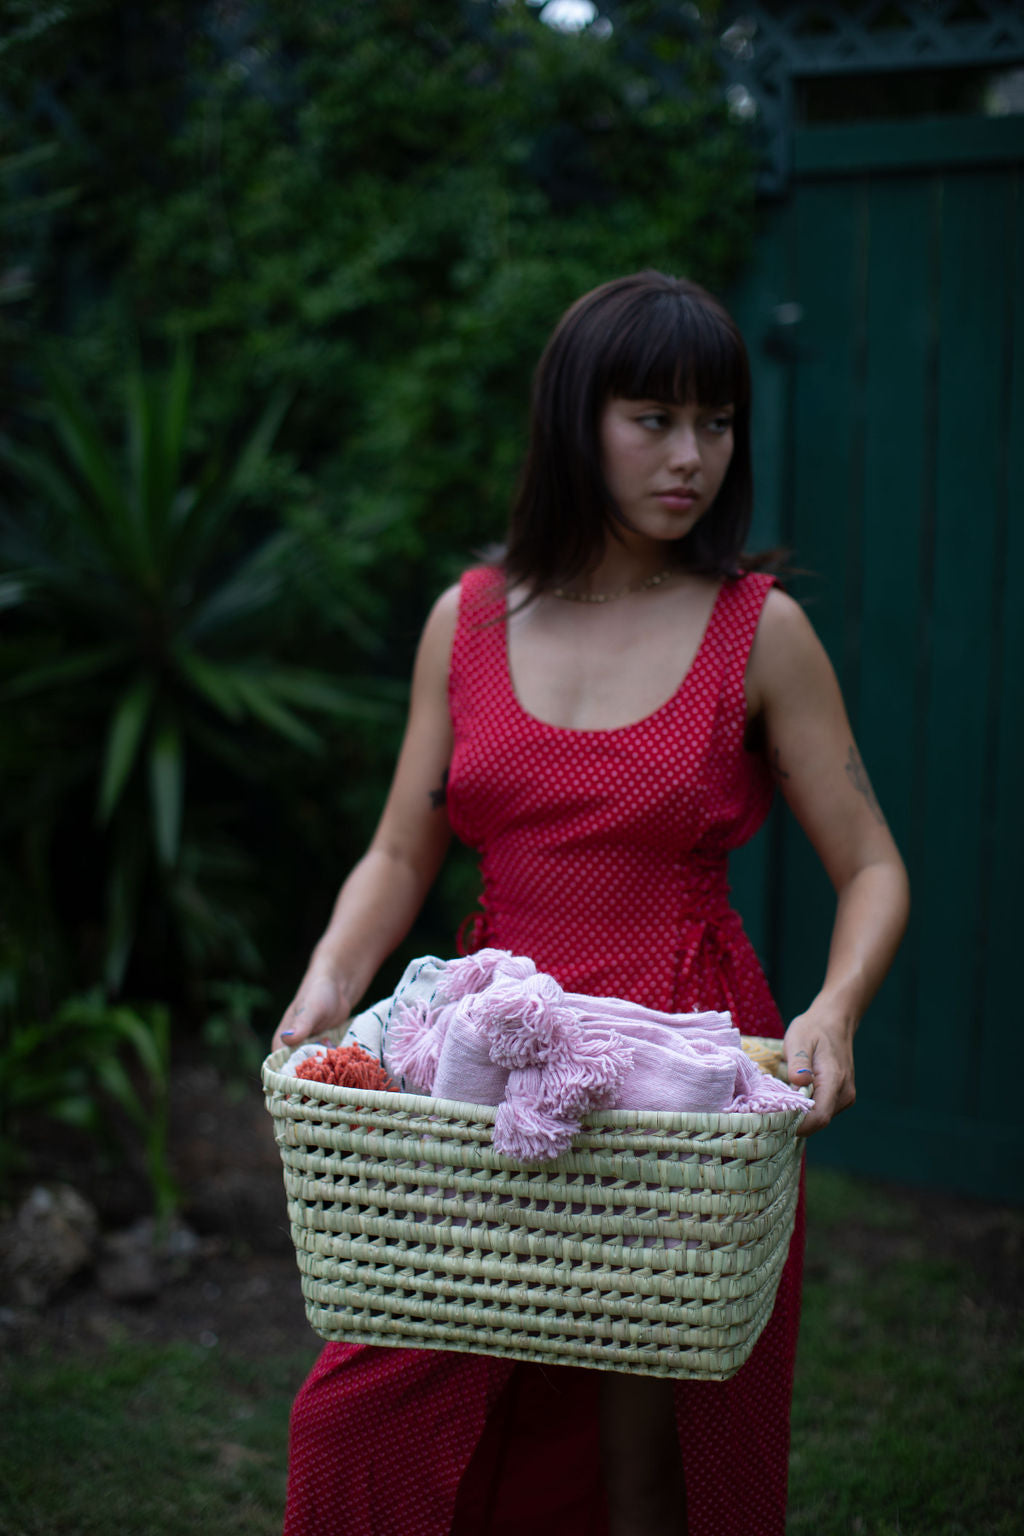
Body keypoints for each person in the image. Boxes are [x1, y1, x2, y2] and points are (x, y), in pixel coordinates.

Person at [272, 270, 910, 1536]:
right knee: (369, 1406)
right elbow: (403, 851)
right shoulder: (466, 619)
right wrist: (327, 988)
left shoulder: (757, 629)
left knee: (647, 1458)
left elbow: (874, 864)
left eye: (717, 422)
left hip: (681, 1078)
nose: (693, 457)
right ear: (575, 419)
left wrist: (835, 1010)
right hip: (482, 1054)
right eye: (653, 418)